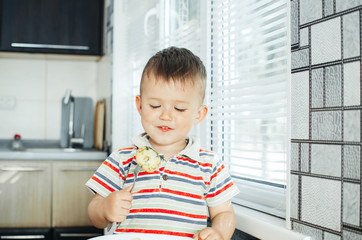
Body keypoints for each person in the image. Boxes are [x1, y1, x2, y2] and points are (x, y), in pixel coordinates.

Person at [86, 47, 239, 240]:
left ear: (198, 114)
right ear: (140, 106)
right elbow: (94, 214)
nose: (166, 116)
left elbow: (224, 214)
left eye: (179, 108)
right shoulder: (122, 159)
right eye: (155, 106)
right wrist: (104, 208)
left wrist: (218, 233)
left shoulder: (210, 166)